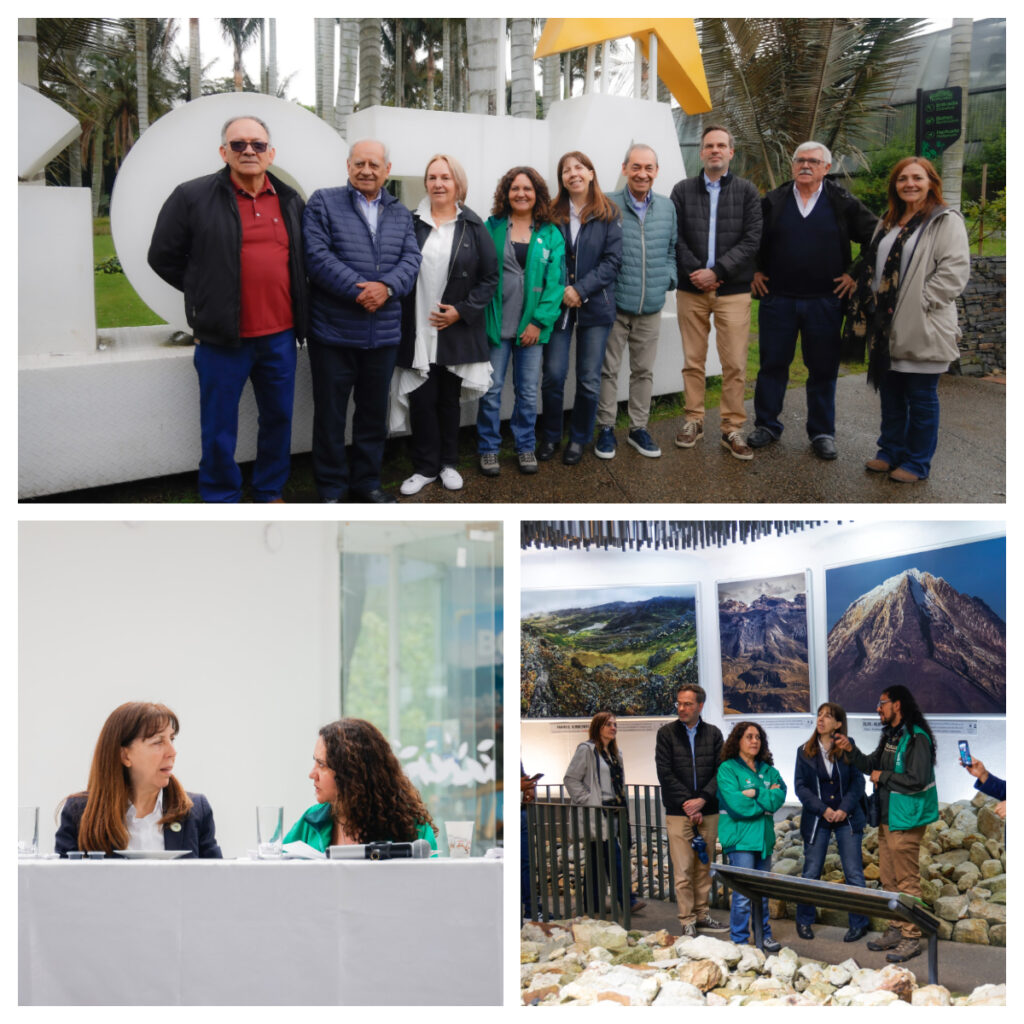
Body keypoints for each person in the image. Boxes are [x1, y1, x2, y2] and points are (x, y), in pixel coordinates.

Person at [147, 115, 307, 503]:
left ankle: (269, 491)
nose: (248, 150)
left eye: (256, 144)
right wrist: (205, 295)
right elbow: (162, 256)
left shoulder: (290, 200)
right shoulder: (192, 196)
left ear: (271, 153)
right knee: (219, 426)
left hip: (280, 337)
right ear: (224, 152)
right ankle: (221, 496)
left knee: (278, 420)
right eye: (238, 145)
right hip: (222, 339)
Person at [303, 139, 422, 503]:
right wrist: (360, 291)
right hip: (333, 333)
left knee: (373, 416)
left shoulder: (401, 213)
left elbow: (411, 260)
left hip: (382, 335)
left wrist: (386, 287)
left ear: (387, 169)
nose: (366, 170)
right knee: (330, 417)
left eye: (374, 164)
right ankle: (332, 490)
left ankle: (367, 483)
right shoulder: (323, 202)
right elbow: (316, 255)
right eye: (359, 164)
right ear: (348, 166)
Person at [748, 142, 879, 460]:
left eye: (813, 161)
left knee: (822, 370)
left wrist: (854, 273)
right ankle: (766, 425)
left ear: (826, 168)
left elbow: (876, 233)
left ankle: (821, 432)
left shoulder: (841, 201)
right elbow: (749, 236)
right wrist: (754, 270)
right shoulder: (774, 200)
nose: (805, 165)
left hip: (825, 302)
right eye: (800, 160)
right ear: (792, 166)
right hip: (777, 300)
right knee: (772, 366)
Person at [843, 156, 970, 482]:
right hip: (885, 325)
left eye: (917, 177)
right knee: (891, 393)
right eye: (902, 179)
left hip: (922, 324)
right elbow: (874, 263)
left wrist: (922, 303)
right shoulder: (889, 220)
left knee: (921, 397)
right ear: (895, 185)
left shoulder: (944, 221)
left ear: (931, 182)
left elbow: (953, 272)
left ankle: (916, 462)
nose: (909, 184)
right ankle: (889, 452)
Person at [394, 154, 498, 495]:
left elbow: (490, 278)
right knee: (421, 400)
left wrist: (461, 311)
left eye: (446, 177)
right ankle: (424, 468)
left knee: (447, 400)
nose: (439, 183)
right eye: (433, 177)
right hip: (417, 328)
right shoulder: (410, 222)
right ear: (426, 183)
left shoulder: (473, 225)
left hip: (454, 328)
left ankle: (448, 463)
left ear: (457, 184)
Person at [670, 126, 762, 461]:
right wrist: (698, 273)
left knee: (734, 363)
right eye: (709, 145)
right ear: (701, 151)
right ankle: (694, 420)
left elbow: (752, 239)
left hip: (733, 291)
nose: (714, 151)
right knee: (693, 361)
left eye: (721, 145)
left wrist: (718, 271)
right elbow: (675, 236)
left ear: (731, 152)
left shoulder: (747, 191)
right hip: (691, 289)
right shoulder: (681, 191)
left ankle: (732, 428)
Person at [834, 685, 938, 962]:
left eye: (882, 703)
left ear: (898, 704)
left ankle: (912, 937)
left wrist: (883, 777)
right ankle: (896, 928)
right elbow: (870, 765)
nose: (877, 708)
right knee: (889, 879)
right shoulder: (891, 735)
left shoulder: (917, 738)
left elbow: (916, 779)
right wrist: (851, 750)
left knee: (907, 881)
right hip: (887, 818)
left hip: (907, 818)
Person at [476, 166, 565, 477]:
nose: (521, 194)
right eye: (515, 188)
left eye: (527, 189)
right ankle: (488, 449)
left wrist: (538, 323)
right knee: (491, 389)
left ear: (537, 193)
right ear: (506, 193)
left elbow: (556, 284)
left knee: (527, 392)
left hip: (532, 328)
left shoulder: (551, 233)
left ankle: (525, 445)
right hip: (497, 325)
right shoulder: (492, 226)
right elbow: (481, 273)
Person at [538, 151, 623, 465]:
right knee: (553, 375)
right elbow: (544, 257)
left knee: (588, 378)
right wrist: (562, 291)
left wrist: (580, 290)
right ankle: (550, 436)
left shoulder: (609, 213)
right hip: (558, 306)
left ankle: (578, 438)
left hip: (594, 306)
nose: (572, 174)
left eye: (578, 168)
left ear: (590, 172)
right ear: (561, 179)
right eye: (565, 170)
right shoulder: (550, 213)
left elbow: (612, 262)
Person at [55, 702, 221, 858]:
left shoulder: (196, 810)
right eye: (158, 742)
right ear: (125, 755)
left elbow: (218, 882)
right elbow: (63, 884)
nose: (172, 751)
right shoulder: (80, 812)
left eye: (172, 739)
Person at [595, 144, 677, 459]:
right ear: (625, 168)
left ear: (656, 171)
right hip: (615, 306)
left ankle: (638, 428)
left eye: (649, 168)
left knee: (643, 371)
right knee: (608, 370)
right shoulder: (608, 203)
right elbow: (598, 251)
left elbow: (672, 248)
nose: (642, 173)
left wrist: (669, 278)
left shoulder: (668, 208)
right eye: (636, 167)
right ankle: (605, 429)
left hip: (651, 307)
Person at [284, 718, 437, 852]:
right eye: (315, 762)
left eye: (322, 765)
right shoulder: (311, 821)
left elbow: (433, 880)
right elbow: (276, 869)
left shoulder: (411, 827)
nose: (312, 774)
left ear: (351, 774)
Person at [654, 685, 727, 937]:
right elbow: (665, 773)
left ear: (700, 706)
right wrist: (689, 803)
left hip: (708, 811)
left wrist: (703, 800)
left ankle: (702, 914)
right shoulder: (666, 734)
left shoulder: (714, 734)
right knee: (683, 870)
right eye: (679, 703)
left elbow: (722, 771)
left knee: (703, 868)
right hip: (678, 812)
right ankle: (687, 920)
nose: (682, 708)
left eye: (687, 704)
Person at [793, 702, 869, 942]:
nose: (821, 719)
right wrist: (823, 809)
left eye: (827, 716)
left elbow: (859, 782)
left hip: (847, 818)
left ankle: (859, 923)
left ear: (838, 724)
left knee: (854, 872)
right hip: (818, 819)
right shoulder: (803, 751)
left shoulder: (848, 747)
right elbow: (800, 787)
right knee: (811, 872)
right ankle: (804, 921)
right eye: (819, 715)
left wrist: (844, 809)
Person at [563, 712, 645, 912]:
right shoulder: (587, 750)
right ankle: (627, 900)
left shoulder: (616, 753)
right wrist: (587, 800)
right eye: (609, 724)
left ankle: (592, 903)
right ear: (598, 726)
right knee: (613, 856)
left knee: (595, 860)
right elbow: (571, 778)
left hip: (615, 811)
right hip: (599, 812)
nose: (613, 728)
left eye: (615, 724)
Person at [716, 720, 787, 950]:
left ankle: (763, 935)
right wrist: (765, 799)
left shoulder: (769, 770)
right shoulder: (727, 769)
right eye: (749, 736)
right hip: (741, 840)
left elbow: (778, 799)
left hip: (763, 839)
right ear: (738, 741)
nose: (754, 740)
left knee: (762, 892)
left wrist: (755, 792)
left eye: (757, 737)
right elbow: (737, 806)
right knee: (743, 895)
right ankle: (739, 940)